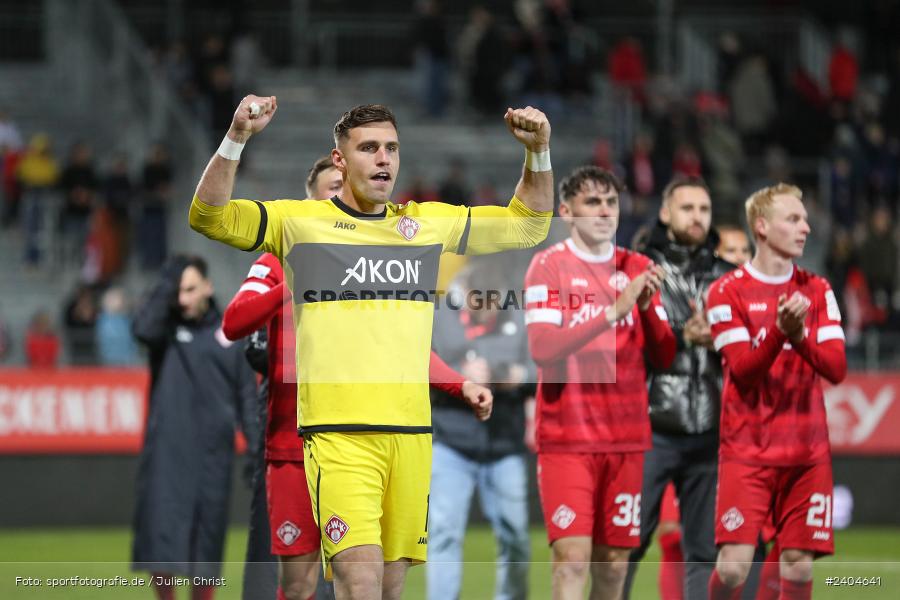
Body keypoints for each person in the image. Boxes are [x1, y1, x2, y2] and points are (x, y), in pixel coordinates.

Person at [189, 97, 552, 600]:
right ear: (340, 159)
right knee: (359, 584)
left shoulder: (425, 224)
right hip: (339, 437)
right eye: (368, 148)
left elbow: (529, 224)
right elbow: (208, 216)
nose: (383, 158)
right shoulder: (299, 224)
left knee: (388, 589)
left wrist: (538, 154)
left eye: (391, 148)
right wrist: (236, 137)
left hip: (411, 435)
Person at [224, 156, 491, 600]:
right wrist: (296, 279)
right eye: (332, 189)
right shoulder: (277, 258)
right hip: (293, 443)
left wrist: (459, 384)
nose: (341, 198)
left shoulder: (374, 266)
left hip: (361, 440)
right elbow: (234, 322)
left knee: (370, 579)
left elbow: (406, 351)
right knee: (299, 583)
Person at [523, 166, 676, 600]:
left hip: (625, 439)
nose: (605, 210)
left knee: (613, 566)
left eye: (611, 202)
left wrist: (644, 308)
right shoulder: (548, 267)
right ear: (567, 212)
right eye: (593, 202)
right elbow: (543, 346)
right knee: (572, 559)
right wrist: (613, 310)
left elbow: (665, 354)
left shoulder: (639, 266)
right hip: (567, 437)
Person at [705, 183, 847, 600]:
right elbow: (744, 371)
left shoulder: (818, 290)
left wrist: (798, 336)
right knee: (732, 570)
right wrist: (779, 333)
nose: (805, 227)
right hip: (747, 450)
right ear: (762, 227)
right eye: (794, 219)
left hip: (807, 452)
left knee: (798, 564)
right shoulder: (726, 291)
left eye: (804, 219)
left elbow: (836, 369)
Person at [624, 177, 735, 600]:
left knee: (704, 551)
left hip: (709, 426)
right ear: (666, 213)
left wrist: (721, 336)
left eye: (704, 210)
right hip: (649, 426)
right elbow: (627, 340)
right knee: (628, 543)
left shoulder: (728, 276)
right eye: (687, 208)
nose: (697, 217)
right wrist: (683, 335)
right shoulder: (639, 267)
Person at [131, 255, 260, 600]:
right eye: (178, 291)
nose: (184, 299)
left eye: (190, 289)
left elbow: (248, 397)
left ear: (208, 286)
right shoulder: (164, 330)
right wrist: (166, 285)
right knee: (162, 544)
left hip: (211, 459)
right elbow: (142, 329)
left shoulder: (230, 334)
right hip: (166, 456)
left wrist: (255, 451)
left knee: (206, 550)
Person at [427, 256, 534, 600]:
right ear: (466, 292)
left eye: (493, 304)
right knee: (442, 534)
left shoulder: (516, 313)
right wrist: (460, 378)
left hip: (505, 444)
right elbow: (420, 373)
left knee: (516, 536)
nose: (487, 312)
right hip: (451, 443)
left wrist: (516, 377)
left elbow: (540, 369)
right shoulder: (441, 314)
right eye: (479, 303)